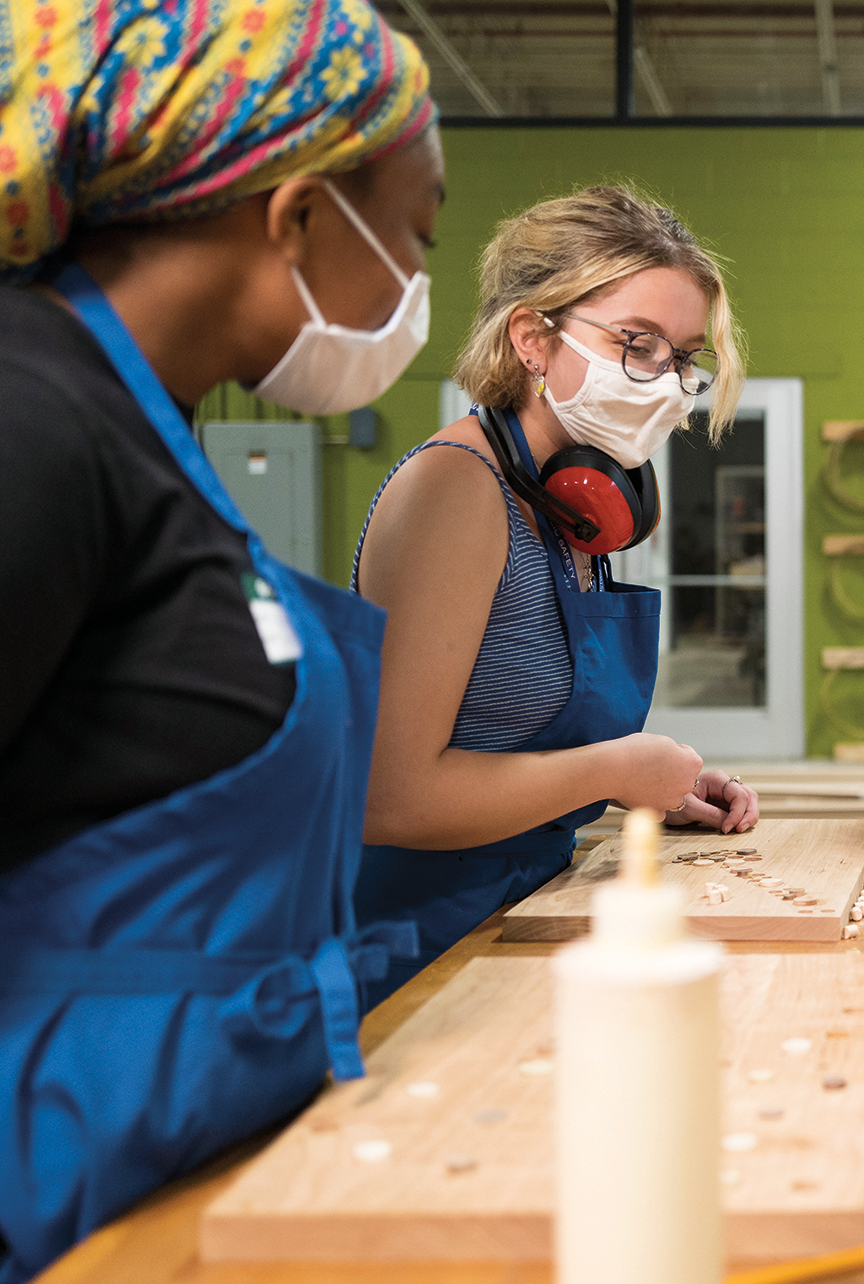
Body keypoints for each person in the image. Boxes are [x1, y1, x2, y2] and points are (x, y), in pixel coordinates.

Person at [0, 1, 441, 1275]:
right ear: (297, 215)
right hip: (52, 1197)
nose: (414, 282)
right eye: (413, 231)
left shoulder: (147, 435)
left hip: (169, 1170)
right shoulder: (32, 417)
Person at [352, 184, 759, 1009]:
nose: (665, 379)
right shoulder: (456, 489)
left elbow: (514, 747)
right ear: (533, 338)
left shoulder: (568, 501)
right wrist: (611, 766)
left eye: (682, 357)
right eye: (636, 342)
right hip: (415, 946)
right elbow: (389, 797)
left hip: (518, 911)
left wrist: (645, 787)